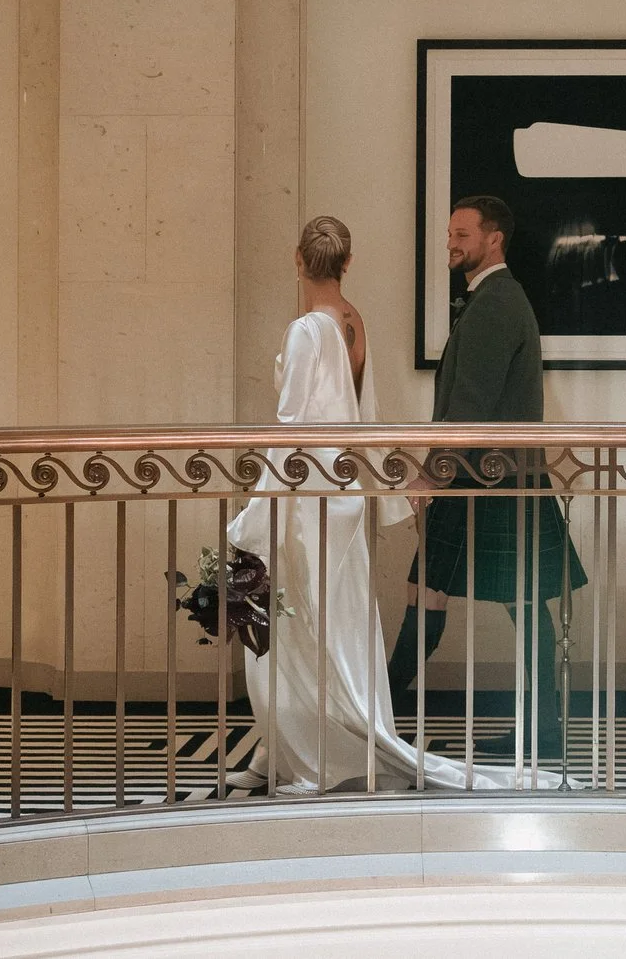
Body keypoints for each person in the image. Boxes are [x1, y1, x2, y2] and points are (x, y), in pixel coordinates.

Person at [223, 216, 534, 792]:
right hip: (343, 495)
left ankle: (303, 749)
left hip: (301, 497)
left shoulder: (305, 330)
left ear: (298, 260)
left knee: (288, 625)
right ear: (347, 262)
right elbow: (365, 420)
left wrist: (258, 506)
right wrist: (386, 491)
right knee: (333, 621)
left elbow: (290, 425)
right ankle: (312, 741)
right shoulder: (354, 323)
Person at [388, 195, 587, 764]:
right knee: (440, 592)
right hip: (487, 476)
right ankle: (380, 709)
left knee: (505, 602)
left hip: (486, 478)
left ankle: (378, 710)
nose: (451, 242)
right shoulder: (493, 298)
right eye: (450, 233)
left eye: (462, 233)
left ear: (493, 238)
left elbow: (470, 408)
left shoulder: (497, 302)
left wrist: (431, 476)